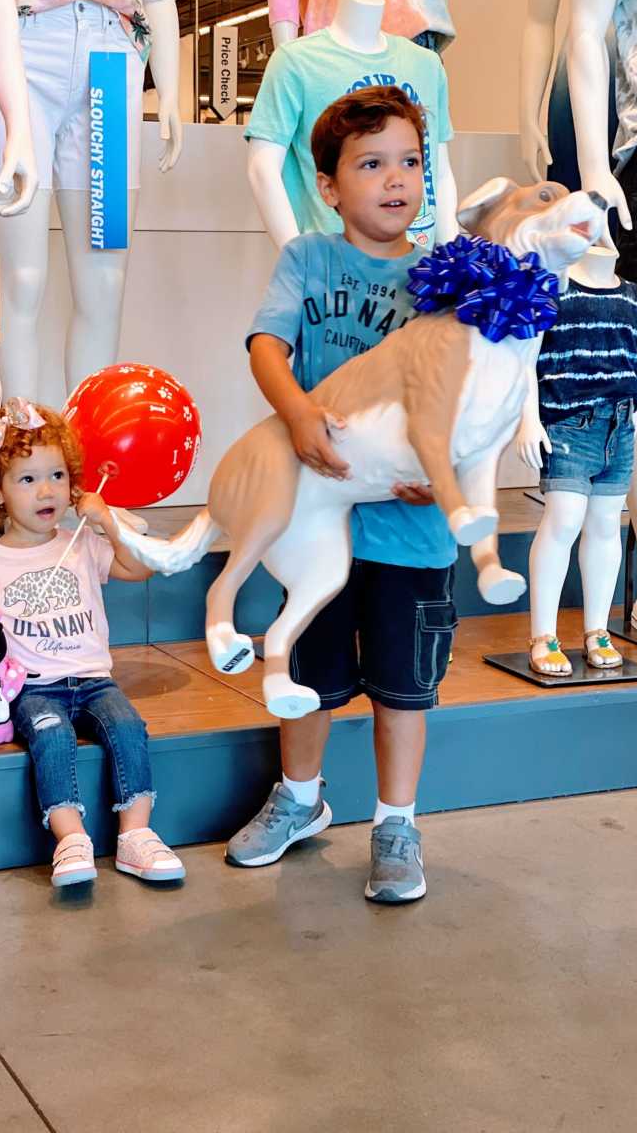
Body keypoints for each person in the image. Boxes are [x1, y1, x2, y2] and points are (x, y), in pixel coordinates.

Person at [227, 86, 457, 904]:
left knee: (403, 685)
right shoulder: (309, 261)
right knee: (307, 672)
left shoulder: (448, 275)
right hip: (313, 524)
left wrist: (448, 480)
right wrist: (294, 413)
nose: (396, 180)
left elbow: (475, 390)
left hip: (413, 532)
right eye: (371, 164)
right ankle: (300, 798)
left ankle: (398, 823)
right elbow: (266, 344)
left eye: (409, 163)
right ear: (327, 185)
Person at [0, 400, 185, 888]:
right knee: (51, 737)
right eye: (27, 479)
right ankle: (71, 838)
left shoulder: (81, 544)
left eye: (57, 475)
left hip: (95, 680)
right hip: (34, 687)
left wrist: (108, 523)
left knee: (129, 726)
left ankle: (135, 835)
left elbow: (138, 570)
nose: (47, 489)